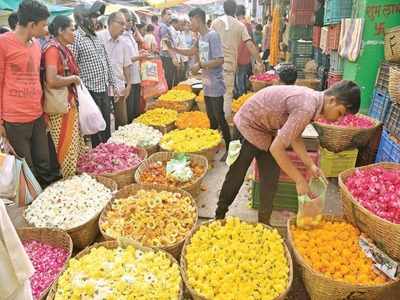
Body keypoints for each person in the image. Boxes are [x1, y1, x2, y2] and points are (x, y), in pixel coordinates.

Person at [215, 81, 361, 224]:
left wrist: (311, 165)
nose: (338, 119)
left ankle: (264, 224)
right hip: (248, 124)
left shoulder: (313, 103)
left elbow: (295, 136)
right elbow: (276, 149)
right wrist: (299, 180)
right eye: (340, 113)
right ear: (332, 100)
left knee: (270, 180)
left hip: (266, 130)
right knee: (237, 175)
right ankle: (219, 216)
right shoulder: (307, 106)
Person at [0, 0, 58, 188]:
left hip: (36, 114)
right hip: (14, 119)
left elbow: (36, 80)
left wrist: (43, 111)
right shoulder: (3, 44)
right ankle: (34, 206)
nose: (46, 29)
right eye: (43, 25)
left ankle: (50, 200)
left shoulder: (35, 45)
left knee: (44, 162)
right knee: (26, 167)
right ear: (32, 25)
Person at [168, 8, 231, 158]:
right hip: (207, 83)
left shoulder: (212, 36)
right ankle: (213, 144)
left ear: (197, 19)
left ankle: (228, 147)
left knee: (219, 116)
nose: (190, 25)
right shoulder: (200, 37)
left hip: (215, 83)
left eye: (191, 21)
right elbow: (191, 52)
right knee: (211, 117)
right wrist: (173, 49)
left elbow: (220, 60)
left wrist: (200, 66)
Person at [43, 16, 84, 178]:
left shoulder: (62, 48)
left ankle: (73, 177)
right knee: (66, 145)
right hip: (60, 106)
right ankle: (69, 179)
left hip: (67, 103)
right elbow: (52, 80)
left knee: (72, 144)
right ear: (60, 30)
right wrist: (73, 79)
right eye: (72, 29)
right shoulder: (53, 50)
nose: (75, 33)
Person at [72, 1, 117, 147]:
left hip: (103, 88)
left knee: (105, 124)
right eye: (93, 17)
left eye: (96, 17)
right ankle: (100, 156)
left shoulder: (96, 37)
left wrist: (113, 83)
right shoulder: (76, 38)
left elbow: (106, 60)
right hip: (90, 91)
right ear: (82, 18)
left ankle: (107, 152)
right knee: (96, 129)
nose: (96, 20)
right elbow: (72, 66)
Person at [211, 0, 264, 118]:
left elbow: (208, 41)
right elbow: (250, 44)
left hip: (214, 65)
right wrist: (260, 62)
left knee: (215, 93)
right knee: (227, 94)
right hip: (229, 65)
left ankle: (215, 121)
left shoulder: (215, 22)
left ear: (224, 9)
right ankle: (224, 122)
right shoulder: (240, 26)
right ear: (234, 10)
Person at [97, 12, 132, 129]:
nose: (124, 27)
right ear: (111, 23)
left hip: (119, 86)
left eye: (125, 24)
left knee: (121, 120)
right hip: (102, 87)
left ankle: (122, 145)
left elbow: (126, 65)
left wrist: (129, 85)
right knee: (104, 120)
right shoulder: (98, 38)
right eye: (121, 24)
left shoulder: (124, 43)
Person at [119, 8, 146, 122]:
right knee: (129, 109)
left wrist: (140, 54)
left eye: (131, 20)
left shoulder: (130, 35)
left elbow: (132, 54)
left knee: (135, 108)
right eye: (128, 20)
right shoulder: (120, 37)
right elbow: (123, 60)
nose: (130, 23)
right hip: (127, 79)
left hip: (136, 76)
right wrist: (139, 57)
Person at [234, 4, 253, 97]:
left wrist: (236, 59)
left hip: (239, 57)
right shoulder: (249, 25)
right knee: (244, 78)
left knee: (239, 79)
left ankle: (241, 98)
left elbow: (240, 45)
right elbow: (251, 42)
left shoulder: (239, 25)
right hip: (247, 58)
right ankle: (244, 96)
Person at [158, 8, 178, 89]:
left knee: (170, 79)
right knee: (169, 80)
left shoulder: (167, 26)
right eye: (168, 14)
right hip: (167, 57)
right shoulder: (164, 27)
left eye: (171, 14)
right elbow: (166, 42)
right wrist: (173, 57)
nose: (170, 16)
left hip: (168, 56)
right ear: (163, 16)